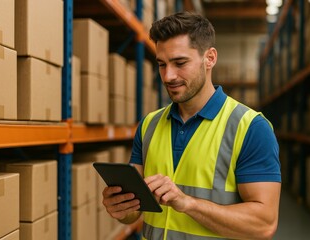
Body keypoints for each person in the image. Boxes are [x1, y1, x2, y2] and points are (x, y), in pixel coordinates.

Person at [102, 12, 281, 240]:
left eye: (180, 63)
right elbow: (134, 212)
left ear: (210, 58)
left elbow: (263, 224)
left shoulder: (250, 127)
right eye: (161, 64)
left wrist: (188, 204)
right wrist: (121, 208)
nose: (168, 76)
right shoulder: (149, 125)